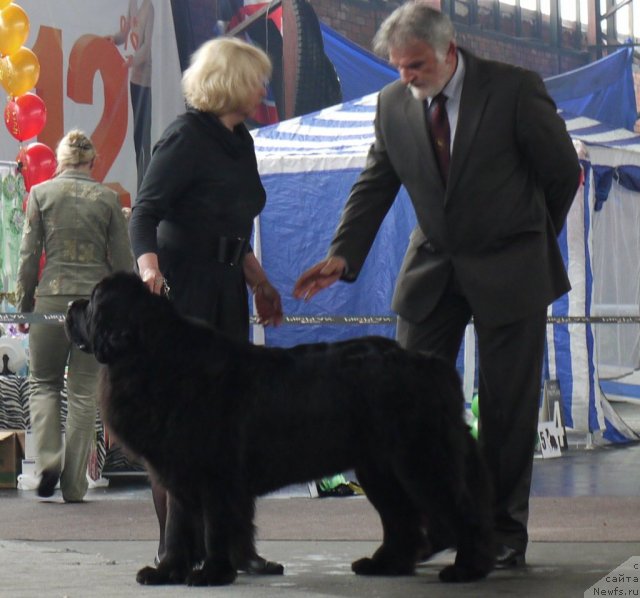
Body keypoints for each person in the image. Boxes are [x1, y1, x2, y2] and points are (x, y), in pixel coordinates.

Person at [293, 1, 581, 569]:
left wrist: (528, 236)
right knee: (405, 407)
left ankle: (499, 532)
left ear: (450, 51)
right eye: (398, 66)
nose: (407, 77)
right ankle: (425, 528)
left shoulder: (515, 89)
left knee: (504, 409)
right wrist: (342, 254)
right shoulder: (392, 104)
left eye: (417, 65)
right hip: (433, 270)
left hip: (512, 269)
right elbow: (375, 182)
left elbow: (561, 172)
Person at [128, 36, 283, 572]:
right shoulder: (185, 137)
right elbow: (143, 214)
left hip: (226, 289)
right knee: (181, 427)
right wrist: (149, 270)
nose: (265, 87)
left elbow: (234, 228)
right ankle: (175, 551)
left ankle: (234, 547)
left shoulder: (241, 141)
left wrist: (260, 280)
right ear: (233, 82)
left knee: (229, 425)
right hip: (183, 289)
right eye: (259, 78)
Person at [16, 129, 134, 502]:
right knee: (83, 393)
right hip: (94, 307)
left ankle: (48, 459)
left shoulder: (41, 194)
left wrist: (24, 305)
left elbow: (28, 256)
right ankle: (73, 485)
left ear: (60, 161)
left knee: (43, 383)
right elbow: (122, 263)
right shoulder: (108, 199)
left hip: (51, 301)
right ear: (93, 161)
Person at [106, 0, 154, 190]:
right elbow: (124, 32)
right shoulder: (132, 4)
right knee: (135, 137)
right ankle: (139, 183)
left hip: (145, 80)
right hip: (133, 79)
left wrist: (133, 61)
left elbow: (146, 47)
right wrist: (114, 39)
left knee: (144, 137)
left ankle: (146, 183)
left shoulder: (149, 8)